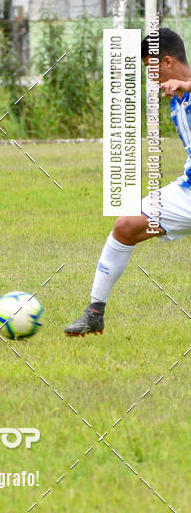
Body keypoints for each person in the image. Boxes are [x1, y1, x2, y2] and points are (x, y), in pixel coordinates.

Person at [65, 27, 191, 336]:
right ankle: (95, 313)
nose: (150, 77)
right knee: (126, 226)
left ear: (168, 62)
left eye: (152, 68)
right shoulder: (177, 96)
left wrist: (186, 83)